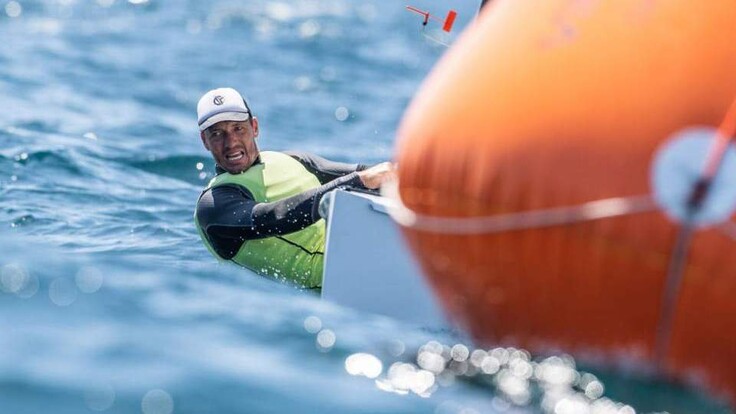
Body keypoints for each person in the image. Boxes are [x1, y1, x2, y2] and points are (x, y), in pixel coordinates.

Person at [194, 87, 395, 289]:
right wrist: (357, 182)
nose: (231, 142)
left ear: (254, 127)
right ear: (205, 141)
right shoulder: (214, 204)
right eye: (218, 134)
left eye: (238, 128)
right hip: (333, 290)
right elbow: (273, 217)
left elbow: (374, 175)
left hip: (374, 256)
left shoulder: (294, 160)